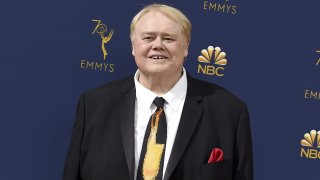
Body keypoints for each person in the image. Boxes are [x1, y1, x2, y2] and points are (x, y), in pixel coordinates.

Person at [63, 3, 253, 180]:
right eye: (148, 37)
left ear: (186, 46)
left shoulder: (229, 112)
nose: (158, 45)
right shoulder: (93, 106)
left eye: (168, 38)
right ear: (133, 45)